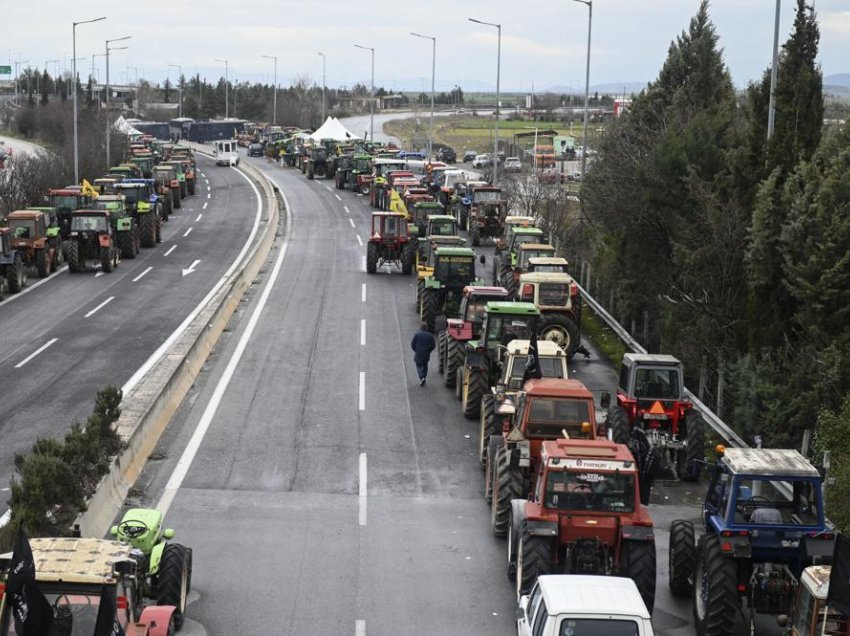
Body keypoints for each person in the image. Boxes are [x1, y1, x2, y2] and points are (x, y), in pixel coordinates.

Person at [410, 322, 436, 386]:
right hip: (426, 353)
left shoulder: (417, 335)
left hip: (418, 352)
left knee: (418, 365)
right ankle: (424, 377)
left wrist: (416, 350)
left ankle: (421, 378)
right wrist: (429, 350)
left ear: (420, 327)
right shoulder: (430, 335)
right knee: (425, 365)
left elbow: (412, 344)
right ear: (427, 328)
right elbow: (433, 345)